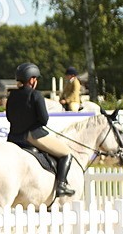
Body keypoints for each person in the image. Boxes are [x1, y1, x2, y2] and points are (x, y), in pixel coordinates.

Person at [6, 62, 75, 197]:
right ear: (31, 80)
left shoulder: (12, 95)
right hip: (32, 136)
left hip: (13, 137)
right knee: (66, 153)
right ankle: (61, 185)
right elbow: (44, 120)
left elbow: (9, 117)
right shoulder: (36, 95)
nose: (36, 81)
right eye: (35, 78)